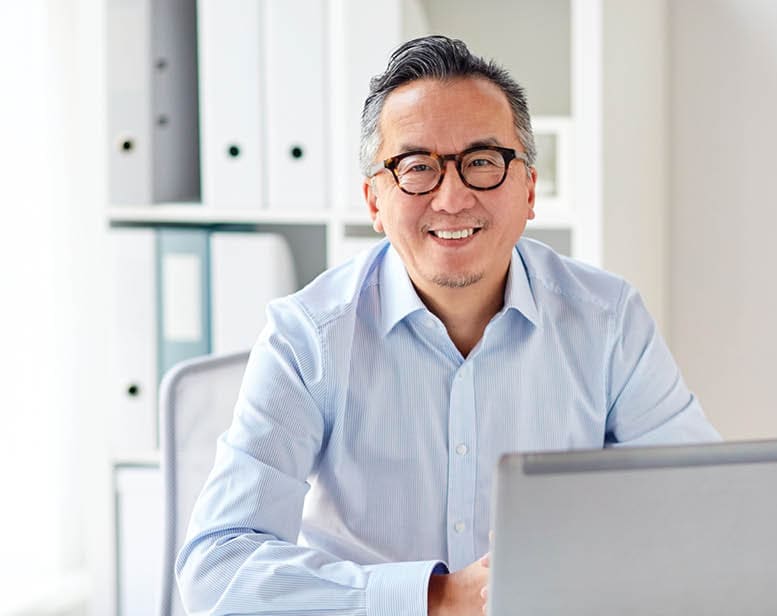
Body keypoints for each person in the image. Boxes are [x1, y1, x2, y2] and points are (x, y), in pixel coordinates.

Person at [176, 35, 720, 616]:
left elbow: (701, 511)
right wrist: (432, 598)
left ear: (530, 189)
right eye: (417, 168)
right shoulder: (307, 337)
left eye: (483, 162)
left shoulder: (608, 321)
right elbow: (217, 568)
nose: (453, 197)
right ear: (374, 203)